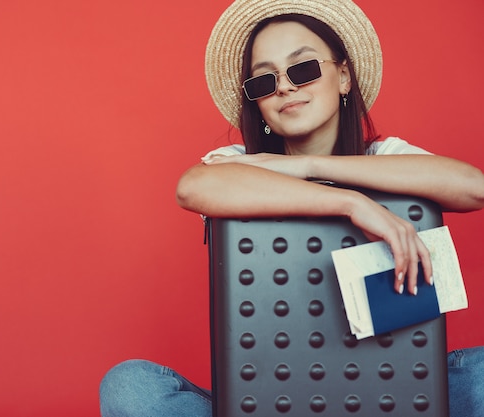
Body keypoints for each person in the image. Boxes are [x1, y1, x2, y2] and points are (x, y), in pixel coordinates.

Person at [99, 0, 484, 416]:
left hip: (397, 388)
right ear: (258, 103)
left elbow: (474, 188)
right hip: (269, 396)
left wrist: (307, 165)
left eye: (303, 69)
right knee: (131, 387)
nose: (284, 87)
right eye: (264, 81)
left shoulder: (387, 156)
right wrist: (350, 203)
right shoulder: (241, 163)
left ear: (343, 76)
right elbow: (193, 187)